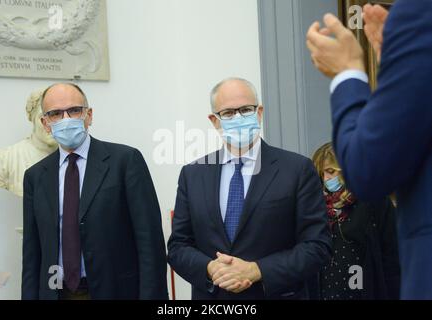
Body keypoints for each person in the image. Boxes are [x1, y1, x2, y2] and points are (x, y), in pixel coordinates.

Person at [306, 1, 432, 299]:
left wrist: (347, 74)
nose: (332, 177)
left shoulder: (419, 12)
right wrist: (399, 73)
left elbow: (369, 168)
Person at [167, 77, 331, 300]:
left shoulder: (297, 169)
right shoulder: (193, 174)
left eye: (245, 109)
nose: (238, 118)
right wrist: (211, 268)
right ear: (214, 121)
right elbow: (178, 246)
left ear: (259, 113)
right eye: (227, 113)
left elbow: (317, 246)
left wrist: (257, 270)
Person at [22, 83, 168, 300]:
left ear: (89, 115)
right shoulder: (35, 176)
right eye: (55, 114)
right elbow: (32, 254)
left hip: (116, 292)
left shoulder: (125, 161)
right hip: (57, 293)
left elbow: (150, 242)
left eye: (74, 110)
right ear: (45, 123)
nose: (66, 119)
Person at [312, 142, 400, 300]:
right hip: (325, 290)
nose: (326, 179)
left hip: (363, 290)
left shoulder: (374, 200)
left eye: (331, 171)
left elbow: (391, 256)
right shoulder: (315, 206)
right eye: (322, 174)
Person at [0, 88, 58, 197]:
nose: (51, 125)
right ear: (32, 118)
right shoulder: (4, 160)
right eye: (43, 118)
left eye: (57, 117)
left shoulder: (77, 160)